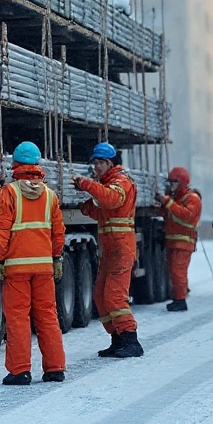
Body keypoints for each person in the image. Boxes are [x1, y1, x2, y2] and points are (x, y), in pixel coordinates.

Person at [0, 141, 67, 385]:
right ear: (37, 165)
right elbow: (58, 232)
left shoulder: (10, 193)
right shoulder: (50, 196)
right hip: (44, 267)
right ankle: (55, 369)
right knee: (47, 316)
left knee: (17, 318)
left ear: (15, 165)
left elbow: (2, 231)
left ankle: (20, 371)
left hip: (16, 268)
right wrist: (56, 257)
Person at [73, 142, 143, 358]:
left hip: (121, 249)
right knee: (100, 296)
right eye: (94, 163)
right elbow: (106, 212)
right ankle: (118, 339)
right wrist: (87, 208)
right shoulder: (108, 183)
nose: (96, 167)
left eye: (99, 163)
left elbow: (112, 200)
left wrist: (87, 184)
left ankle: (132, 341)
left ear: (109, 162)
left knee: (114, 296)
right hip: (112, 250)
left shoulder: (121, 181)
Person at [160, 166, 202, 312]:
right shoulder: (176, 197)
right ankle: (178, 298)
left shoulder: (192, 198)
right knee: (174, 271)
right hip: (174, 242)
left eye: (174, 181)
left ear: (182, 182)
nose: (171, 184)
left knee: (178, 272)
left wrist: (168, 202)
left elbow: (187, 215)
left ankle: (180, 301)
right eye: (170, 181)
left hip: (184, 243)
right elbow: (168, 215)